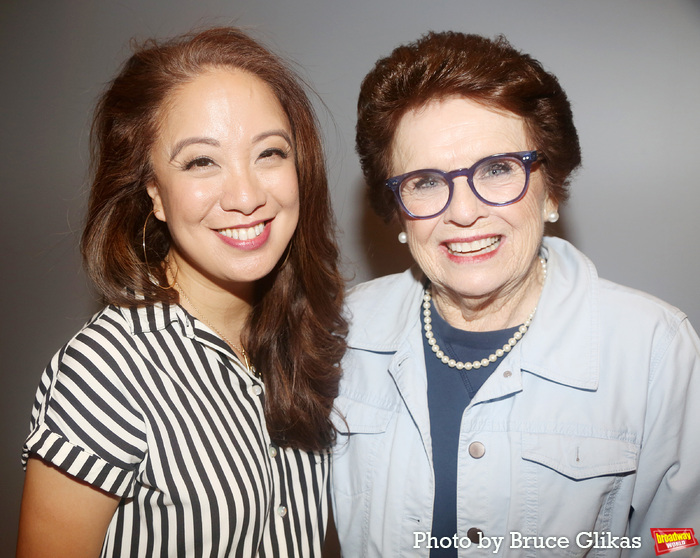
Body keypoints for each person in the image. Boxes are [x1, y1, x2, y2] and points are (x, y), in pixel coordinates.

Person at [331, 31, 700, 557]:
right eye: (426, 182)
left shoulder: (654, 350)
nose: (462, 213)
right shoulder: (340, 333)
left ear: (551, 188)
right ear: (397, 212)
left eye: (498, 169)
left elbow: (682, 536)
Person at [17, 27, 346, 558]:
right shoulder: (107, 370)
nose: (246, 196)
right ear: (155, 195)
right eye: (201, 161)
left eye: (270, 153)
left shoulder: (311, 340)